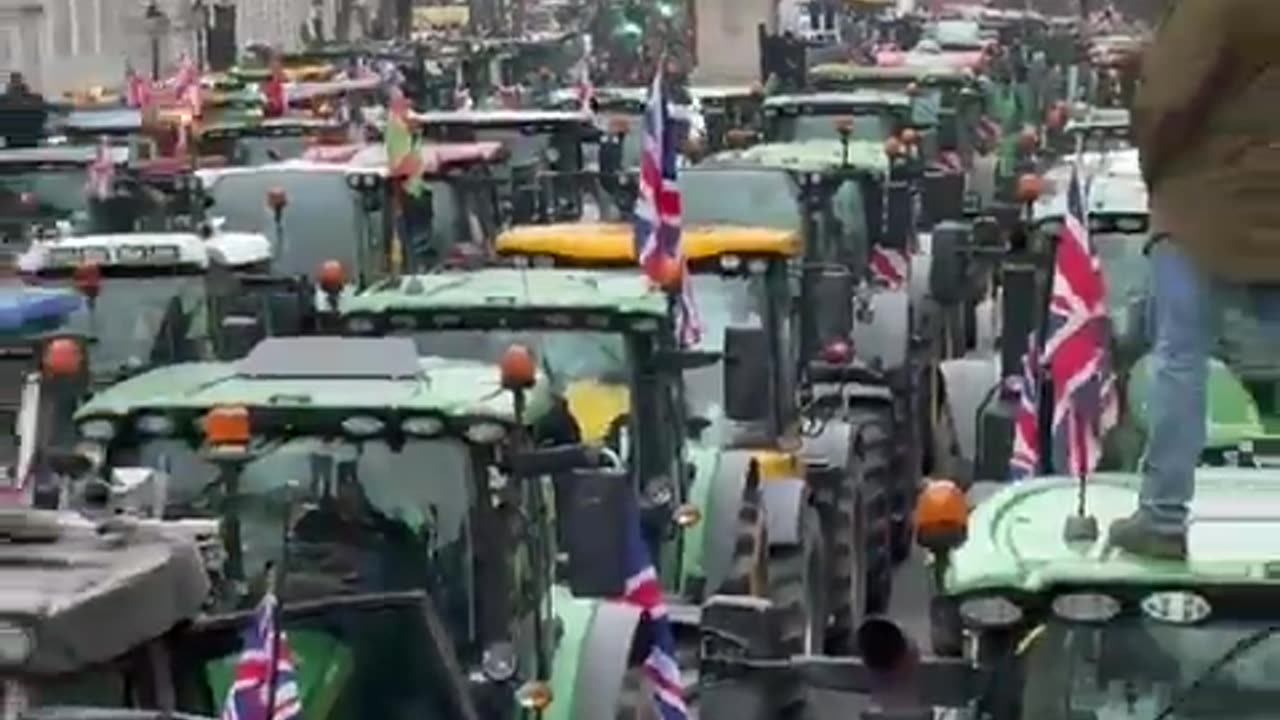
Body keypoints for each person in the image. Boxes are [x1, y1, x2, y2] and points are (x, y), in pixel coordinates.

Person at [1109, 0, 1280, 559]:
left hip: (1206, 206)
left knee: (1179, 361)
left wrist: (1155, 168)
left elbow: (1170, 101)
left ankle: (1162, 516)